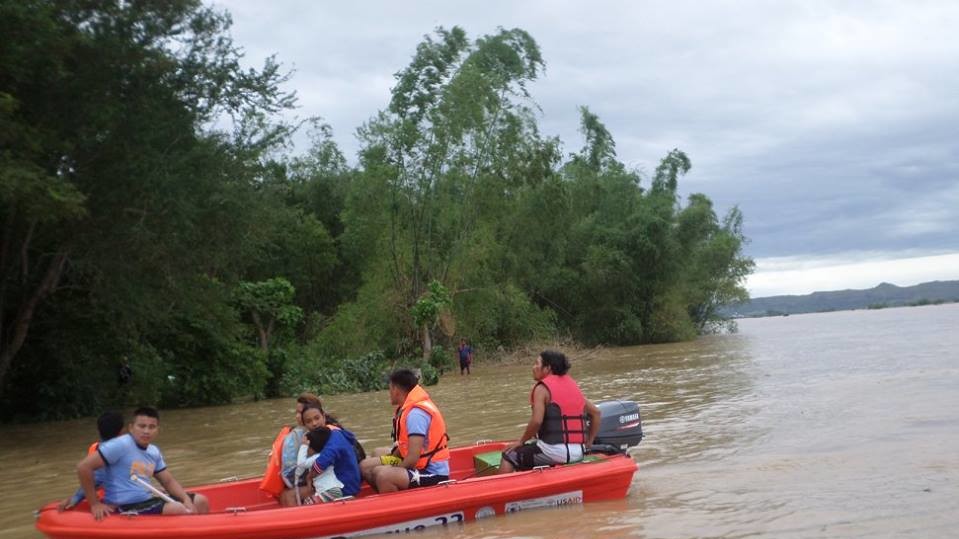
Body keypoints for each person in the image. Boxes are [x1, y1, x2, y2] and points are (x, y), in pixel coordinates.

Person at [75, 406, 210, 519]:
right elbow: (83, 467)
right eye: (142, 426)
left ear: (158, 430)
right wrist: (94, 504)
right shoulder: (119, 445)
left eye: (152, 427)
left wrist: (185, 498)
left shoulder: (153, 451)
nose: (146, 431)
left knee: (200, 501)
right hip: (124, 505)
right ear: (131, 428)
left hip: (146, 501)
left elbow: (168, 481)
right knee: (178, 508)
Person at [499, 350, 602, 473]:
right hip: (578, 452)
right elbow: (596, 413)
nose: (533, 367)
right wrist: (588, 443)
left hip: (553, 452)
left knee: (510, 455)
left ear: (547, 368)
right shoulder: (573, 387)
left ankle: (498, 490)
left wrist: (521, 441)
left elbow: (537, 421)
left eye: (537, 364)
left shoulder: (542, 389)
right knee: (533, 449)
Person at [360, 369, 451, 493]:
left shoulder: (415, 415)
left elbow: (412, 458)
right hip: (418, 463)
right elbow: (404, 445)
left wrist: (393, 469)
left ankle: (395, 503)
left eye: (390, 389)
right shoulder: (406, 409)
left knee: (383, 475)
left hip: (432, 472)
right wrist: (388, 460)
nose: (389, 393)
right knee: (375, 455)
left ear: (396, 390)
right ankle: (389, 493)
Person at [58, 412, 125, 511]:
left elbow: (92, 478)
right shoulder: (124, 450)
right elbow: (98, 478)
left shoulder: (94, 448)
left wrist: (75, 497)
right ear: (121, 432)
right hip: (115, 501)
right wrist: (75, 499)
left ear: (98, 430)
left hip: (102, 496)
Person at [295, 426, 361, 503]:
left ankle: (379, 459)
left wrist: (303, 446)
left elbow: (301, 464)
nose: (314, 424)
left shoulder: (321, 456)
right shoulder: (336, 435)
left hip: (332, 490)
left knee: (308, 503)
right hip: (337, 487)